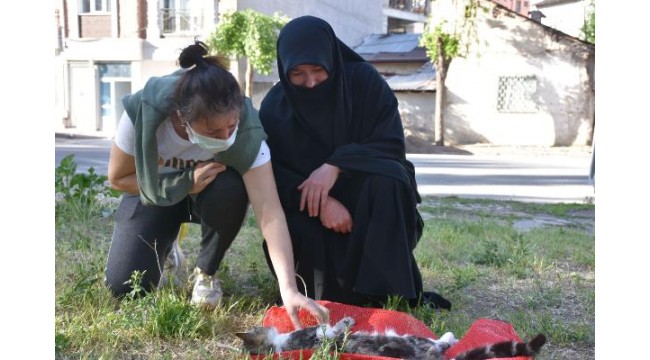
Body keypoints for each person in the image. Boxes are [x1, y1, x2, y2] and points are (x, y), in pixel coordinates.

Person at [104, 40, 329, 328]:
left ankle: (206, 271)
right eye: (212, 130)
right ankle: (167, 245)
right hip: (153, 193)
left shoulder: (247, 130)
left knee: (231, 187)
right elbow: (118, 178)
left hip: (212, 195)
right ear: (181, 117)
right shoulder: (143, 111)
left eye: (231, 126)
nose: (224, 137)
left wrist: (289, 289)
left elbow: (269, 211)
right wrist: (185, 183)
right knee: (123, 286)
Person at [258, 16, 451, 309]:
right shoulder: (274, 108)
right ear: (284, 69)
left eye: (318, 70)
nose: (310, 83)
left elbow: (391, 144)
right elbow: (273, 177)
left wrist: (335, 165)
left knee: (390, 178)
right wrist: (321, 202)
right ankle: (323, 292)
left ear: (331, 61)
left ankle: (384, 293)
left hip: (365, 197)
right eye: (297, 73)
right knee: (293, 224)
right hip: (305, 205)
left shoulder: (363, 82)